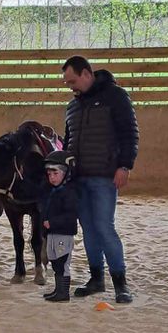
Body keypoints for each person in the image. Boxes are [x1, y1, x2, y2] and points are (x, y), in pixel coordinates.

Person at [62, 56, 139, 304]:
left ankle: (121, 282)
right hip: (79, 177)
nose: (70, 86)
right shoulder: (73, 107)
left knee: (105, 227)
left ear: (86, 74)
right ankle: (96, 278)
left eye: (72, 81)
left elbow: (129, 133)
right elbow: (68, 140)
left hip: (104, 176)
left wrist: (125, 165)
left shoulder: (115, 97)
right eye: (66, 82)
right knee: (89, 230)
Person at [39, 150, 78, 303]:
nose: (52, 178)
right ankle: (58, 289)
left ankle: (63, 293)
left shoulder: (69, 193)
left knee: (62, 262)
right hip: (52, 233)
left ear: (66, 174)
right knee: (55, 261)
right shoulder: (52, 192)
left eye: (55, 173)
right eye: (49, 174)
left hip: (63, 233)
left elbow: (71, 216)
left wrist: (53, 222)